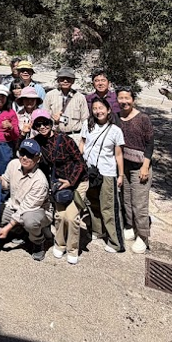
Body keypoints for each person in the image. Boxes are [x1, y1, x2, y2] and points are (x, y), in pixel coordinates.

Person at [30, 110, 88, 265]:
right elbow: (23, 151)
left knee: (72, 218)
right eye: (38, 124)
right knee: (60, 216)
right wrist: (23, 135)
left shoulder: (64, 139)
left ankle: (72, 249)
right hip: (59, 184)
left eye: (45, 123)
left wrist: (70, 181)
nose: (43, 127)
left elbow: (80, 162)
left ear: (51, 123)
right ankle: (60, 244)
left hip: (77, 181)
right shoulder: (37, 142)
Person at [0, 139, 52, 260]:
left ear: (38, 158)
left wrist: (7, 228)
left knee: (29, 220)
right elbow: (6, 183)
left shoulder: (40, 181)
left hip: (37, 212)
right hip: (14, 207)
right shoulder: (13, 164)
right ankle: (21, 232)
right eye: (22, 153)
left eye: (30, 155)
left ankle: (38, 241)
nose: (24, 157)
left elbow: (26, 209)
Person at [82, 98, 126, 253]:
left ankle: (116, 242)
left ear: (108, 110)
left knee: (109, 207)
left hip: (107, 172)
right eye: (95, 108)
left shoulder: (115, 130)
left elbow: (119, 154)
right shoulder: (88, 126)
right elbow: (83, 145)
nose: (98, 111)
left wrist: (120, 175)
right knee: (92, 203)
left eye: (101, 108)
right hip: (90, 170)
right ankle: (97, 231)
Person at [117, 87, 154, 254]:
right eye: (121, 98)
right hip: (124, 165)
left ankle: (143, 236)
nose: (124, 101)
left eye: (127, 98)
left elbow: (150, 144)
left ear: (133, 99)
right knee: (126, 199)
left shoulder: (143, 118)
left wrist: (145, 165)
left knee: (139, 202)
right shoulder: (117, 118)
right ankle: (130, 225)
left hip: (140, 166)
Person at [44, 66, 89, 139]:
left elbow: (85, 120)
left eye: (68, 78)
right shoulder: (49, 95)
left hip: (75, 136)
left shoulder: (80, 97)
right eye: (62, 79)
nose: (65, 81)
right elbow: (45, 117)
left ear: (73, 81)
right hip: (55, 136)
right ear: (58, 80)